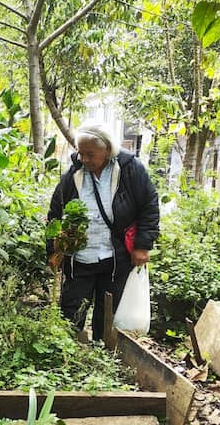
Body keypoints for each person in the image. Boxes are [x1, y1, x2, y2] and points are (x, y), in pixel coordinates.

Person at [47, 124, 160, 341]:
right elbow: (55, 213)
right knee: (71, 310)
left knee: (108, 313)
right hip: (80, 257)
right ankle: (66, 350)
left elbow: (149, 206)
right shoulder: (73, 174)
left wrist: (143, 245)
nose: (84, 159)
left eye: (90, 154)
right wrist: (53, 249)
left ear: (107, 150)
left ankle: (102, 351)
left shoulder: (129, 169)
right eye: (81, 153)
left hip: (115, 257)